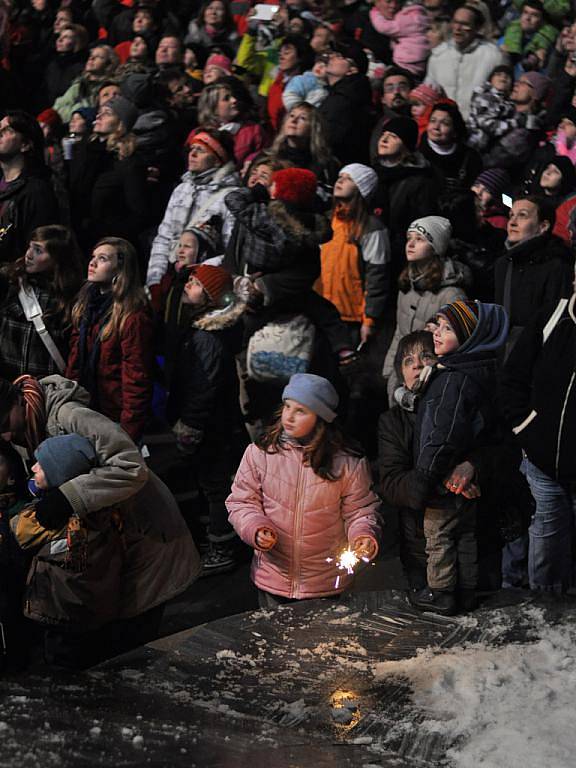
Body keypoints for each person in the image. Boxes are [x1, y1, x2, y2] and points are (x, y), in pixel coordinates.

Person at [0, 377, 200, 668]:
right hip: (112, 543)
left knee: (135, 653)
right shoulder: (27, 427)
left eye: (5, 423)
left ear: (18, 401)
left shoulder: (70, 415)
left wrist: (70, 495)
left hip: (147, 536)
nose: (5, 436)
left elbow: (130, 465)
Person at [226, 373, 381, 607]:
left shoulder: (347, 462)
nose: (289, 416)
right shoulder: (261, 453)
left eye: (301, 411)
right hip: (274, 577)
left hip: (325, 582)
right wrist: (255, 528)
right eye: (287, 406)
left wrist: (363, 535)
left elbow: (360, 510)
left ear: (321, 418)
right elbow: (241, 501)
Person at [409, 299, 509, 614]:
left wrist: (424, 480)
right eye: (437, 325)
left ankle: (441, 593)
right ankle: (466, 590)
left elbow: (442, 434)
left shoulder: (453, 379)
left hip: (442, 479)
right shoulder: (478, 369)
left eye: (448, 328)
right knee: (465, 534)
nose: (436, 333)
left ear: (470, 336)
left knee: (438, 538)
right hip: (463, 481)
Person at [164, 263, 245, 575]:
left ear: (211, 297)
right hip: (210, 425)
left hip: (213, 427)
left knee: (215, 485)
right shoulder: (200, 329)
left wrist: (191, 426)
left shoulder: (208, 339)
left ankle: (222, 546)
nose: (187, 286)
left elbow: (203, 387)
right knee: (208, 482)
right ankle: (215, 539)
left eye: (196, 284)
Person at [500, 275, 576, 592]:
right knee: (544, 559)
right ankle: (543, 622)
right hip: (543, 466)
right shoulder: (551, 316)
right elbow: (513, 377)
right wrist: (525, 427)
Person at [66, 237, 155, 443]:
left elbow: (137, 379)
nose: (93, 263)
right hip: (84, 410)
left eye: (103, 258)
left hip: (114, 419)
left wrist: (127, 433)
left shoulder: (133, 317)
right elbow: (74, 361)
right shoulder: (86, 305)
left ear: (120, 270)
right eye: (93, 257)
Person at [146, 128, 240, 299]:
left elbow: (229, 250)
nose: (193, 154)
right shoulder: (181, 190)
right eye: (192, 149)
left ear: (218, 160)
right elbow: (164, 238)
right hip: (170, 276)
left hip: (201, 285)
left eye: (201, 150)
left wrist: (199, 276)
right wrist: (155, 280)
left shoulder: (231, 197)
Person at [382, 216, 470, 400]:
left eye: (420, 239)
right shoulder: (407, 285)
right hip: (402, 374)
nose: (411, 244)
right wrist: (390, 371)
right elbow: (400, 332)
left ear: (435, 247)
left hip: (430, 380)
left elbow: (455, 347)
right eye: (409, 238)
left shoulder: (451, 294)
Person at [317, 163, 391, 346]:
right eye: (340, 176)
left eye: (349, 178)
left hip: (350, 318)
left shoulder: (372, 228)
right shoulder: (326, 220)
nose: (340, 181)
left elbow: (377, 277)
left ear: (361, 189)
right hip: (319, 309)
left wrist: (370, 320)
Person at [69, 95, 153, 249]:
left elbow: (139, 214)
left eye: (107, 113)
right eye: (99, 112)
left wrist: (111, 238)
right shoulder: (85, 151)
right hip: (77, 238)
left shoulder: (128, 162)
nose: (99, 116)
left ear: (121, 123)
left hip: (106, 244)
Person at [494, 195, 573, 358]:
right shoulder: (504, 264)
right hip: (505, 355)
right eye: (511, 215)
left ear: (543, 226)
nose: (513, 222)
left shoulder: (557, 266)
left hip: (537, 356)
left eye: (522, 215)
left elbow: (555, 323)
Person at [0, 225, 83, 380]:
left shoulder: (70, 295)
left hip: (47, 386)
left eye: (38, 250)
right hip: (9, 383)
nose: (28, 255)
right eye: (30, 247)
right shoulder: (11, 280)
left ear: (57, 258)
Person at [372, 116, 438, 266]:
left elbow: (422, 223)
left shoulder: (419, 180)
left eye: (393, 136)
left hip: (400, 255)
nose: (384, 139)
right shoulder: (372, 173)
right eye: (383, 134)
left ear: (406, 145)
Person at [0, 110, 59, 263]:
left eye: (8, 130)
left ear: (25, 145)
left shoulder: (36, 192)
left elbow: (37, 253)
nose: (0, 132)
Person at [425, 4, 504, 119]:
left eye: (465, 24)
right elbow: (429, 93)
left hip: (479, 126)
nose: (458, 28)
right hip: (444, 126)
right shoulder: (438, 56)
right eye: (455, 22)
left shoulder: (493, 56)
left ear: (477, 28)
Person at [269, 102, 339, 200]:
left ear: (313, 128)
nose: (294, 120)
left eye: (302, 118)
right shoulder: (268, 157)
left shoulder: (325, 166)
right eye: (291, 115)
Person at [318, 40, 373, 165]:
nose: (331, 57)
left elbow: (328, 139)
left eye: (339, 57)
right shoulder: (345, 94)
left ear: (351, 70)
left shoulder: (345, 99)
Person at [196, 81, 268, 166]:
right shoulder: (199, 134)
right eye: (226, 98)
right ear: (213, 107)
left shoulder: (253, 131)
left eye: (232, 96)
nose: (234, 100)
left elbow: (264, 157)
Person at [369, 0, 430, 75]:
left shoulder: (406, 20)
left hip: (407, 60)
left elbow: (384, 27)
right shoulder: (422, 17)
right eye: (388, 1)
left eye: (398, 2)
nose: (393, 6)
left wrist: (375, 13)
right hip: (422, 58)